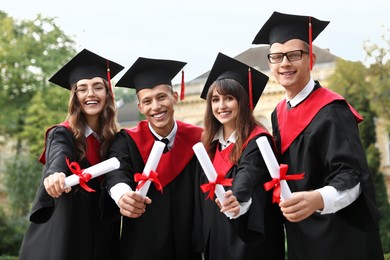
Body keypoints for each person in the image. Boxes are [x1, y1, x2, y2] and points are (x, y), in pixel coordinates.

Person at [252, 11, 384, 260]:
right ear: (270, 64)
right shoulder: (278, 114)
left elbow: (352, 176)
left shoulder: (332, 109)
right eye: (277, 57)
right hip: (301, 235)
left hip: (340, 236)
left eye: (294, 55)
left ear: (310, 59)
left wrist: (317, 198)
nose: (285, 63)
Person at [19, 49, 124, 260]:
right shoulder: (63, 133)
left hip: (101, 237)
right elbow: (59, 155)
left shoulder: (115, 141)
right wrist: (56, 174)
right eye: (82, 89)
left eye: (97, 87)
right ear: (75, 97)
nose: (91, 94)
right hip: (64, 236)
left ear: (108, 93)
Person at [104, 57, 203, 260]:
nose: (156, 106)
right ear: (140, 107)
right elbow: (116, 173)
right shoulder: (127, 140)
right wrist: (123, 195)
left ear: (175, 97)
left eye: (161, 97)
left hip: (189, 245)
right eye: (147, 101)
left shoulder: (199, 139)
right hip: (142, 246)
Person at [196, 52, 285, 260]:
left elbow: (248, 174)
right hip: (216, 239)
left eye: (229, 98)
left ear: (244, 102)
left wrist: (236, 197)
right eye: (216, 100)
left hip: (249, 243)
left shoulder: (257, 141)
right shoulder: (208, 147)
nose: (221, 106)